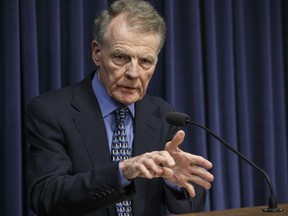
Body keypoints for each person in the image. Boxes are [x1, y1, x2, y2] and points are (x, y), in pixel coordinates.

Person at [26, 0, 214, 215]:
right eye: (120, 57)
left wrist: (174, 182)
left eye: (145, 61)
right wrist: (122, 172)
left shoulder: (163, 115)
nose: (133, 73)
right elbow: (45, 197)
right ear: (97, 53)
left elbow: (191, 206)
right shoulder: (51, 112)